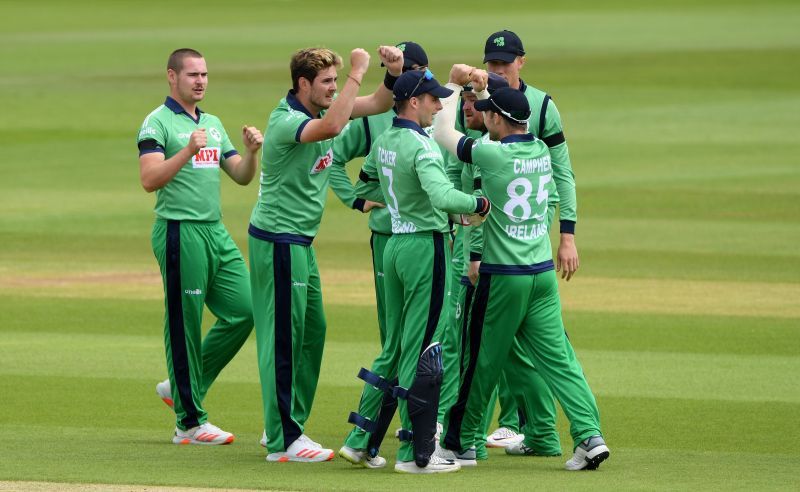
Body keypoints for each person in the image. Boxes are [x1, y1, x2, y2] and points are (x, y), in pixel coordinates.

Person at [434, 66, 610, 471]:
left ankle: (459, 443)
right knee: (560, 361)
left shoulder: (493, 154)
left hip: (504, 277)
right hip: (542, 275)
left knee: (479, 360)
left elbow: (444, 134)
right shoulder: (542, 152)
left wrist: (455, 83)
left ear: (497, 119)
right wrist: (484, 85)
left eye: (486, 112)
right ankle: (589, 435)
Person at [249, 45, 404, 463]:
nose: (335, 88)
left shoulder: (320, 112)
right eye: (327, 82)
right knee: (284, 339)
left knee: (311, 332)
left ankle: (284, 424)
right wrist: (356, 70)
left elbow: (375, 103)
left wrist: (392, 73)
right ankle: (284, 440)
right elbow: (336, 126)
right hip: (278, 242)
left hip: (300, 243)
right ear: (303, 84)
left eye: (336, 81)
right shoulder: (287, 122)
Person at [349, 69, 491, 474]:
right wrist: (478, 205)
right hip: (426, 249)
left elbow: (363, 188)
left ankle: (361, 440)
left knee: (393, 346)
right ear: (413, 102)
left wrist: (403, 204)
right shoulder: (422, 146)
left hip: (393, 245)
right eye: (431, 99)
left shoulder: (385, 141)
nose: (436, 105)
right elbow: (444, 194)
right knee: (423, 348)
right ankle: (415, 454)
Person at [137, 48, 263, 445]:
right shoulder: (157, 123)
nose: (201, 81)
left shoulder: (212, 122)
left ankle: (181, 386)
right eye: (192, 74)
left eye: (205, 74)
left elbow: (240, 176)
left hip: (215, 231)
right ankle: (189, 422)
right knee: (185, 324)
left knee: (246, 309)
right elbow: (149, 179)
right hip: (179, 231)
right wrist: (186, 151)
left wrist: (252, 153)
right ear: (172, 77)